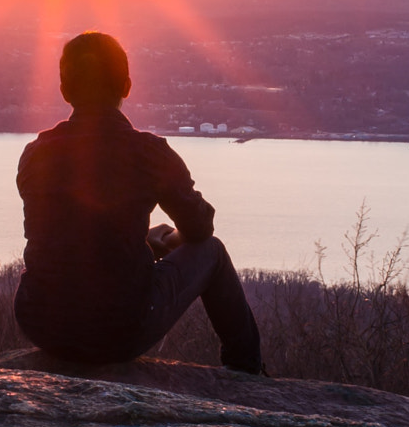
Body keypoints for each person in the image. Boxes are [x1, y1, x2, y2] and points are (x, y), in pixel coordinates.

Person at [14, 30, 263, 373]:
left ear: (65, 90)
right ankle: (247, 371)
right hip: (118, 331)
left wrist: (144, 243)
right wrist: (169, 240)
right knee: (213, 252)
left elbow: (73, 234)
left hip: (42, 324)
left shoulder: (35, 154)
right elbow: (200, 228)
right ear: (127, 86)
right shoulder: (148, 153)